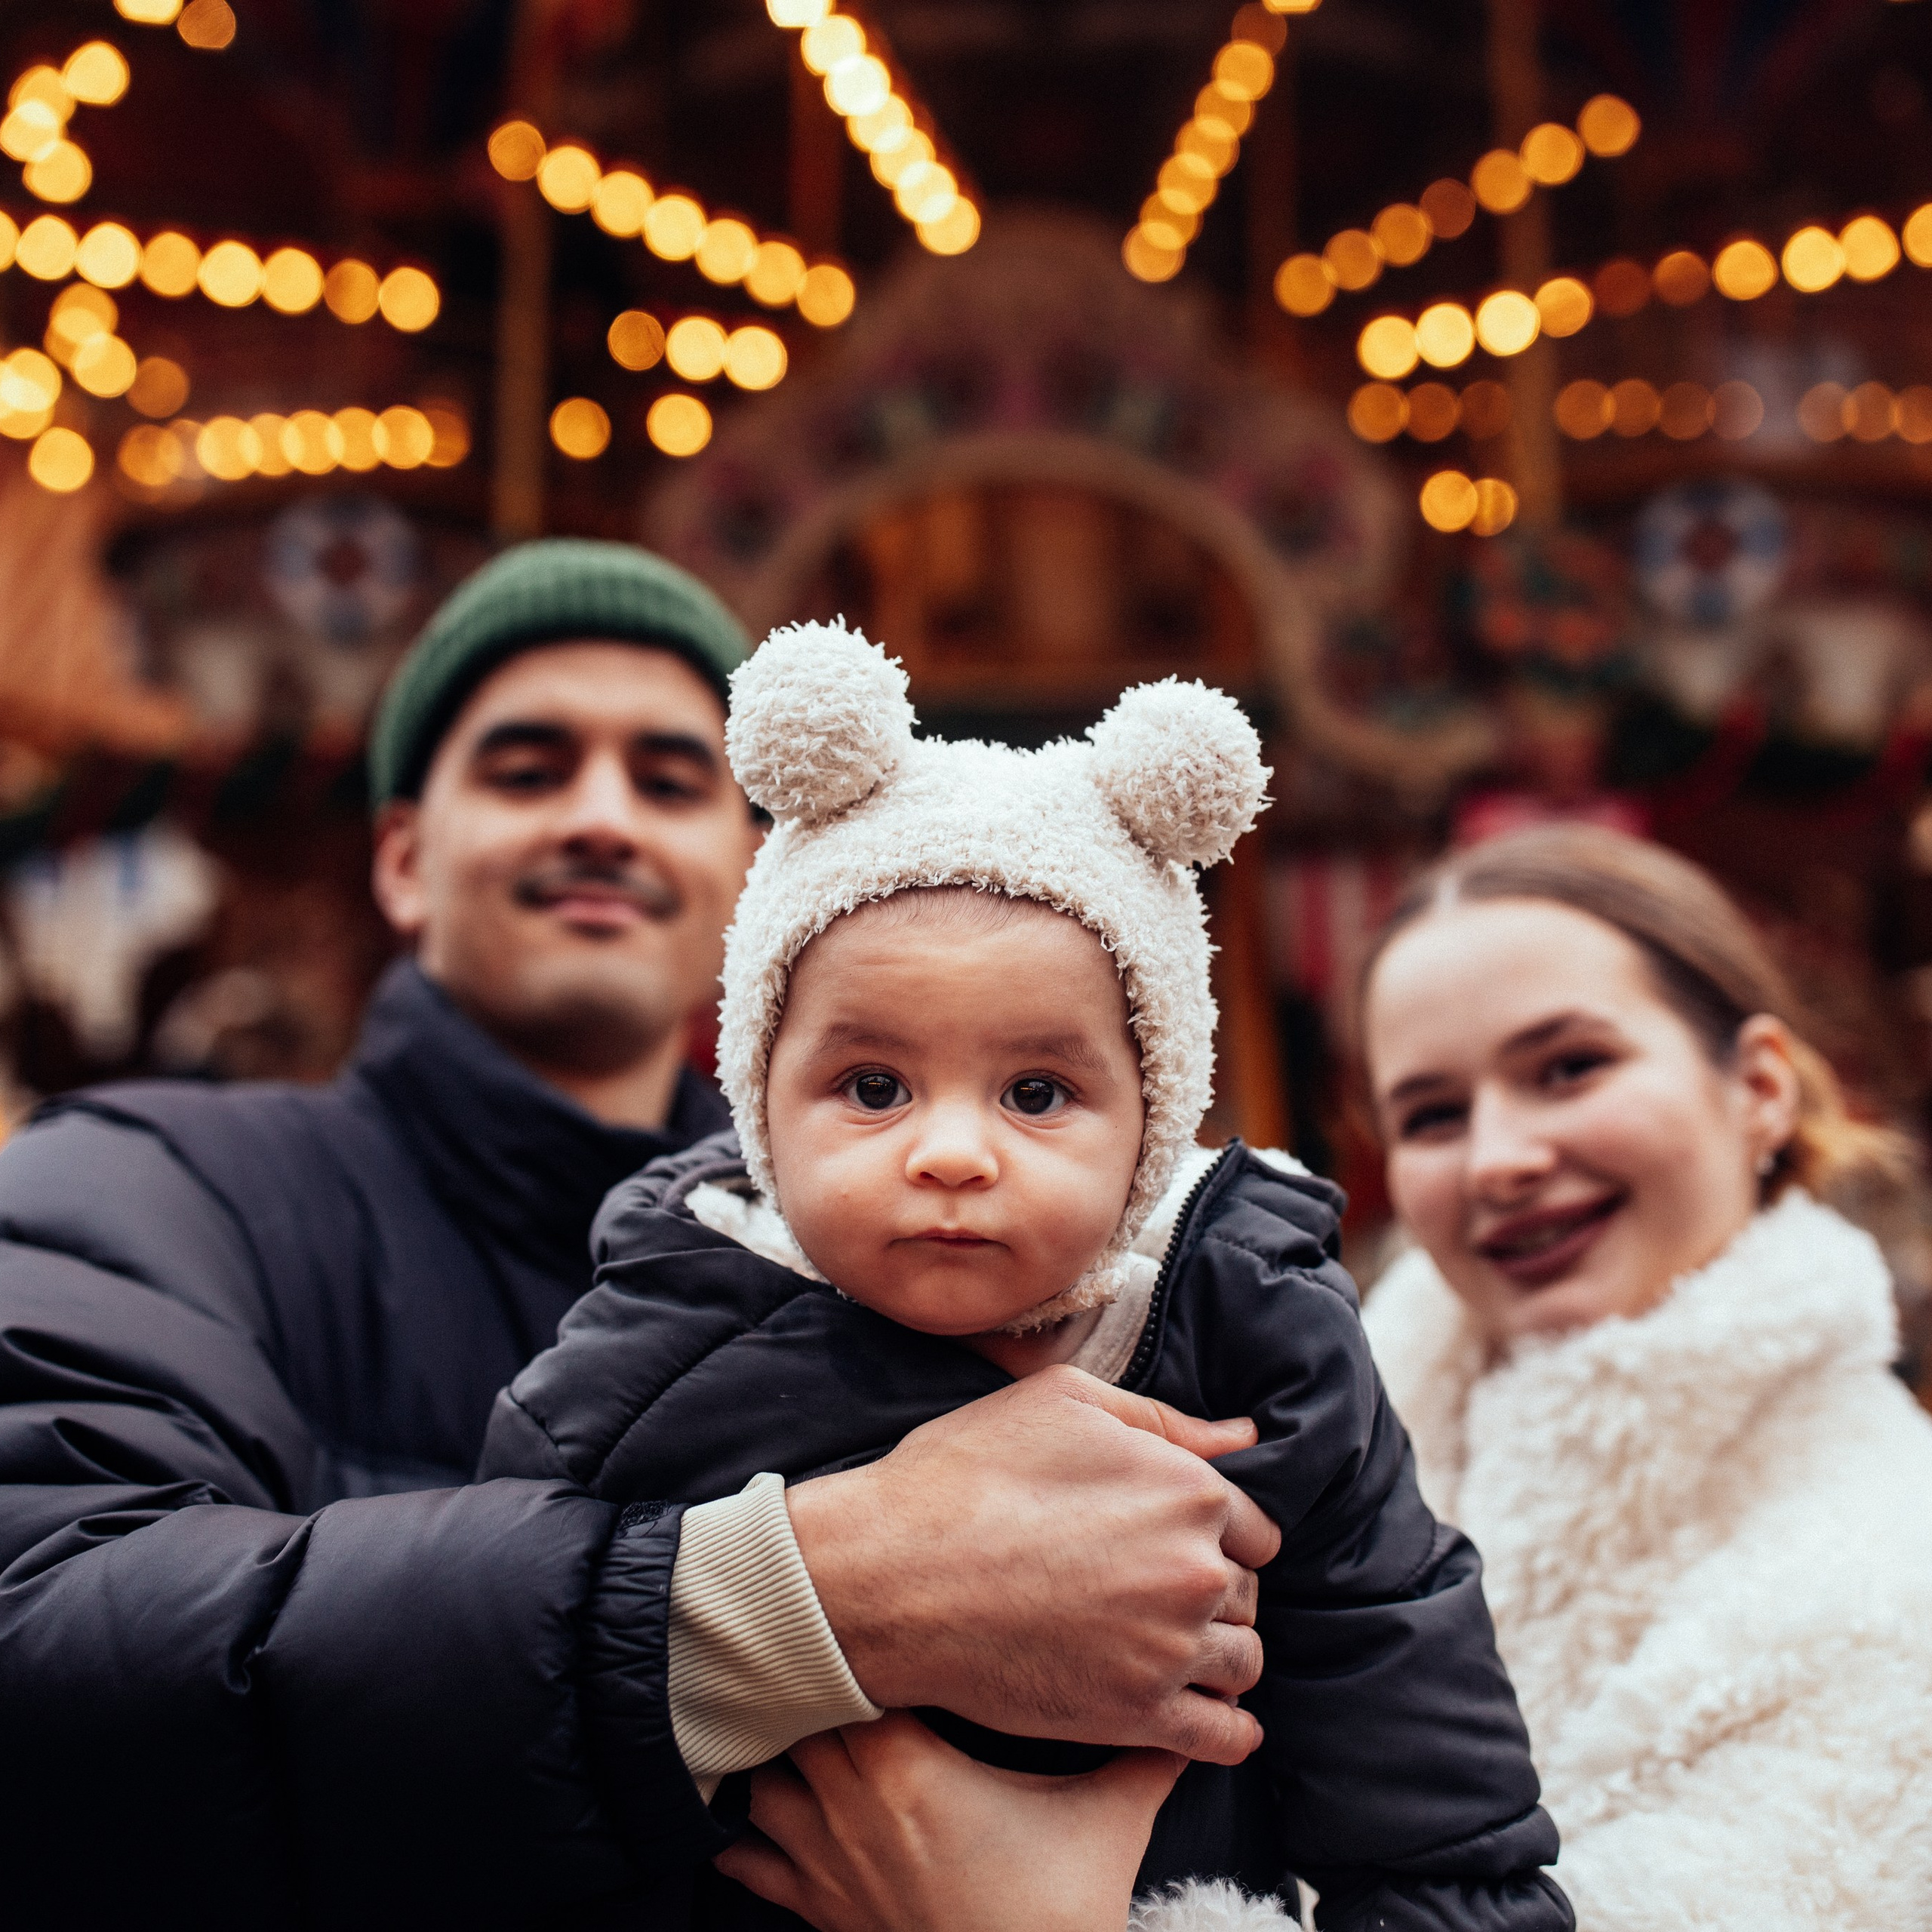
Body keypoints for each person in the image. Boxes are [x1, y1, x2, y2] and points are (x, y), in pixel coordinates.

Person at [0, 544, 1279, 1928]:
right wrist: (786, 1603)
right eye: (528, 769)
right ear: (404, 860)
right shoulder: (152, 1183)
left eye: (670, 781)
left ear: (756, 879)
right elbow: (49, 1637)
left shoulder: (1059, 1267)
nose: (602, 818)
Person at [481, 623, 1571, 1932]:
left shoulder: (1261, 1338)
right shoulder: (658, 1338)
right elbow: (513, 1681)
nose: (951, 1152)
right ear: (760, 1101)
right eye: (872, 1088)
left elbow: (1420, 1765)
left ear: (1155, 1115)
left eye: (1038, 1092)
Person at [1353, 823, 1932, 1930]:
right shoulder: (1283, 1471)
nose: (1499, 1159)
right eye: (1433, 1114)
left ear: (1760, 1087)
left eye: (1569, 1067)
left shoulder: (1894, 1571)